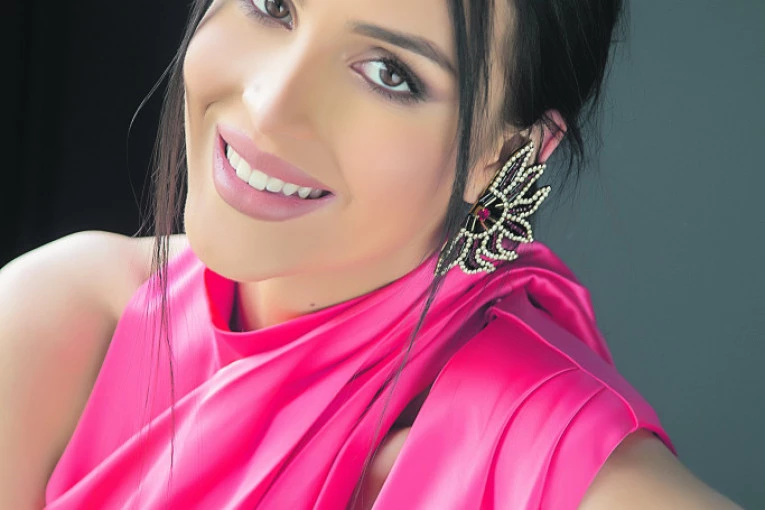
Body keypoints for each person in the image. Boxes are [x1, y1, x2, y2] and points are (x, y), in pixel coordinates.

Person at [0, 0, 743, 508]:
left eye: (390, 72)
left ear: (506, 152)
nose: (269, 106)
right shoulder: (62, 321)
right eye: (272, 4)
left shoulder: (549, 463)